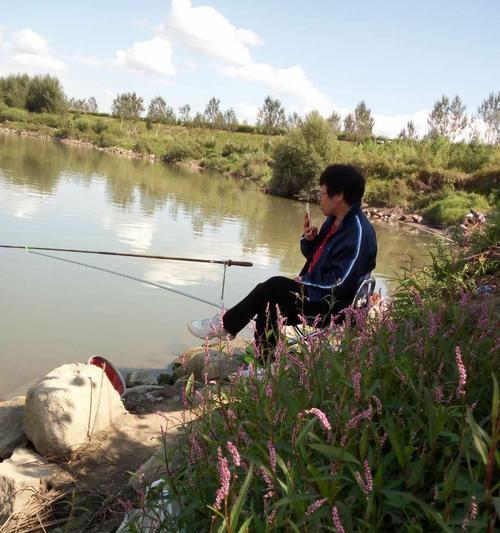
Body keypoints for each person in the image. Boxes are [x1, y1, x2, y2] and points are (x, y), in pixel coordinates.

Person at [188, 164, 377, 356]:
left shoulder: (358, 232)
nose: (319, 199)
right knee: (269, 298)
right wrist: (309, 240)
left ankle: (224, 325)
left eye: (322, 193)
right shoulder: (335, 221)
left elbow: (341, 282)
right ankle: (263, 364)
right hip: (316, 295)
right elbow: (318, 260)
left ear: (339, 195)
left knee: (273, 287)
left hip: (333, 306)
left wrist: (303, 283)